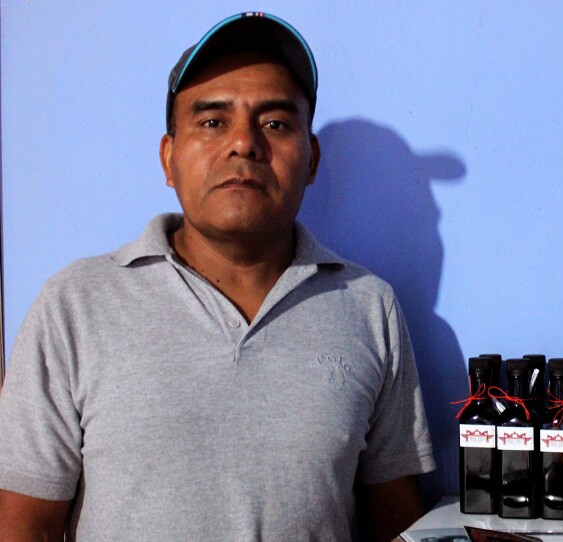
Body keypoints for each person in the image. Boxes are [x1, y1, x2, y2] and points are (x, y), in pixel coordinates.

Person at [0, 12, 435, 541]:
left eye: (275, 123)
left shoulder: (369, 307)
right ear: (168, 158)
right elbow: (24, 525)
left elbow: (397, 522)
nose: (244, 144)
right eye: (212, 122)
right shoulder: (76, 304)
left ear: (312, 158)